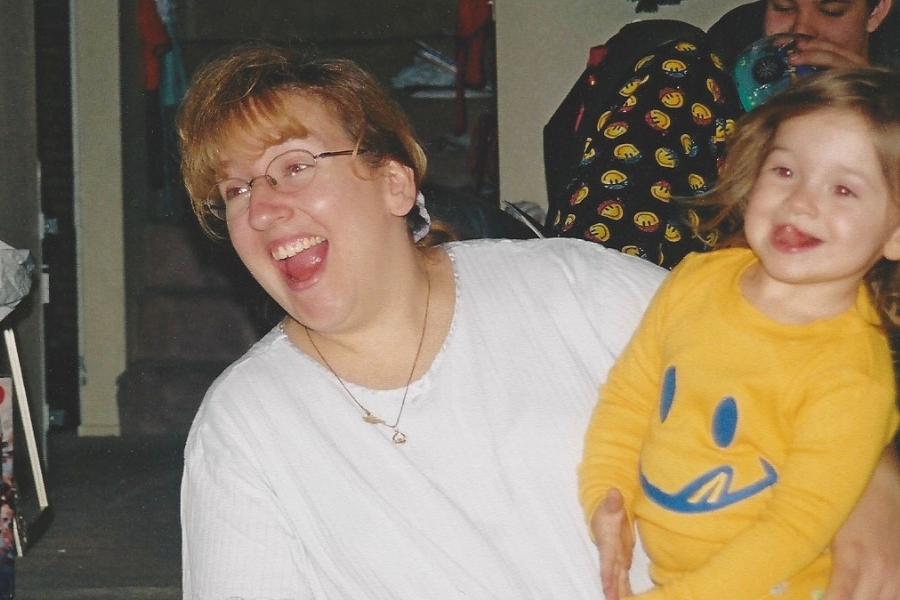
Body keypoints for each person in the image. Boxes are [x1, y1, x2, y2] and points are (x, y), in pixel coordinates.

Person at [176, 42, 900, 599]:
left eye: (295, 166)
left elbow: (809, 365)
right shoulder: (243, 429)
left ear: (395, 181)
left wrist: (875, 482)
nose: (262, 209)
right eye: (234, 191)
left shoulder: (573, 286)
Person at [579, 68, 900, 600]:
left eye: (843, 188)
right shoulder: (696, 280)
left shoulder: (852, 376)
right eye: (785, 171)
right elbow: (628, 399)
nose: (801, 202)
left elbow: (792, 532)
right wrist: (605, 501)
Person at [546, 0, 896, 269]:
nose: (802, 28)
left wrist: (872, 103)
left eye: (832, 10)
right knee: (677, 59)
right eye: (782, 7)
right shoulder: (715, 85)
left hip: (834, 284)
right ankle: (587, 280)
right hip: (694, 269)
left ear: (878, 9)